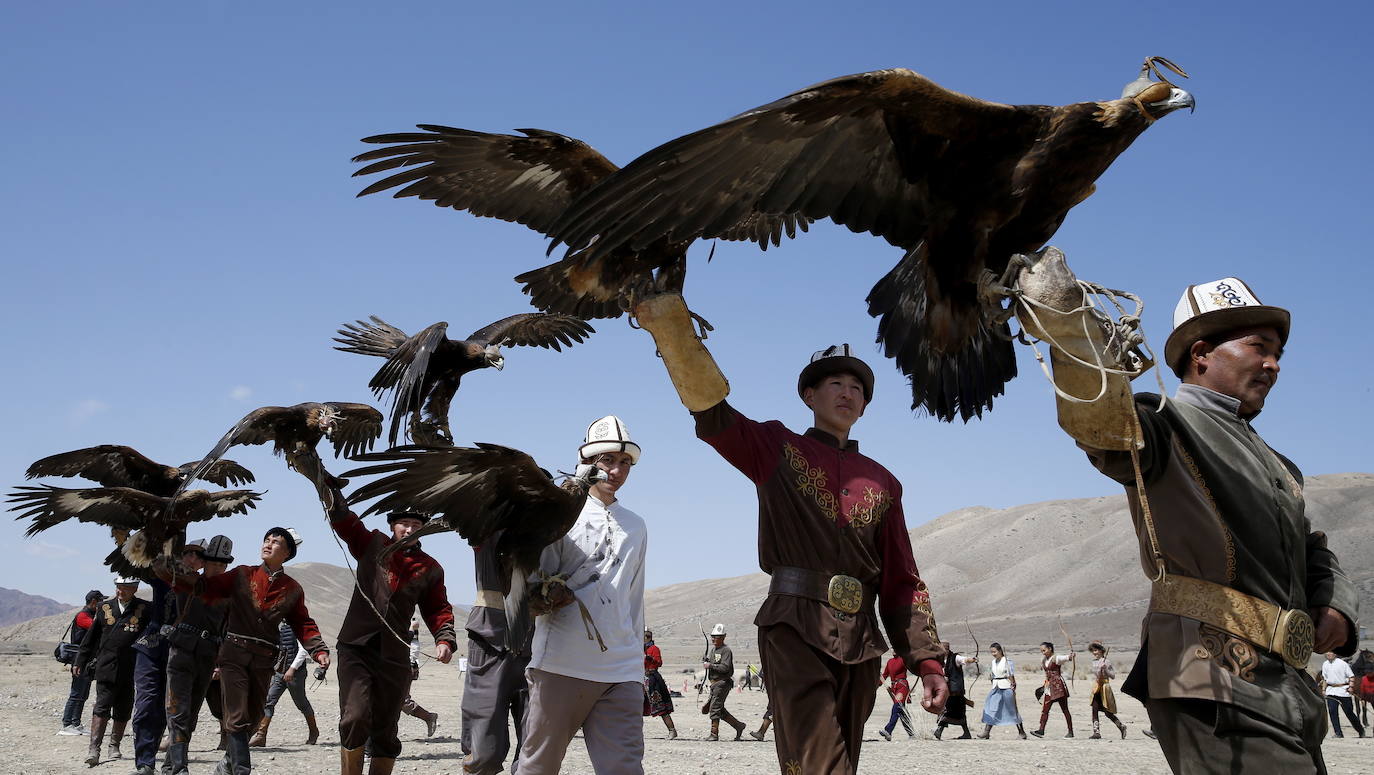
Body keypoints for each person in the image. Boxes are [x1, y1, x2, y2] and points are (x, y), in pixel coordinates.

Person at [1028, 270, 1361, 772]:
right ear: (1201, 353)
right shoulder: (1163, 423)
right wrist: (1068, 328)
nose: (1273, 364)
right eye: (1259, 347)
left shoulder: (1279, 464)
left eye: (1279, 355)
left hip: (1287, 685)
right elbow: (1100, 423)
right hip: (1208, 674)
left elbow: (1313, 548)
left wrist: (1335, 604)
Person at [634, 292, 948, 775]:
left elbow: (902, 580)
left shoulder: (883, 482)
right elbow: (716, 418)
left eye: (857, 389)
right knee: (822, 765)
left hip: (862, 639)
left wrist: (926, 661)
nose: (847, 393)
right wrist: (672, 332)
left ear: (864, 406)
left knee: (836, 761)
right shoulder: (776, 447)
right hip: (795, 626)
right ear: (809, 396)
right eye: (835, 384)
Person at [517, 416, 649, 775]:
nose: (617, 470)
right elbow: (532, 584)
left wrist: (637, 667)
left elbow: (633, 600)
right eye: (608, 460)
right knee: (538, 767)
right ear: (588, 462)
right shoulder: (561, 511)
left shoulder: (636, 525)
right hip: (561, 662)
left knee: (624, 769)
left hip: (621, 668)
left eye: (625, 463)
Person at [309, 465, 457, 775]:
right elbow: (345, 521)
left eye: (415, 524)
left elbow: (437, 608)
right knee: (354, 717)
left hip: (394, 655)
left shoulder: (430, 567)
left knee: (386, 727)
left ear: (424, 529)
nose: (409, 529)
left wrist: (445, 639)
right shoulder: (371, 543)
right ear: (392, 526)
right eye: (403, 523)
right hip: (356, 647)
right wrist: (327, 487)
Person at [173, 527, 329, 775]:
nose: (267, 544)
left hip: (264, 660)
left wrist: (318, 650)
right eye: (266, 540)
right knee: (236, 715)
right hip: (233, 655)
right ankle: (242, 769)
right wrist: (172, 571)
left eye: (275, 542)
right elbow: (207, 587)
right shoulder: (242, 574)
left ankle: (226, 764)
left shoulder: (293, 588)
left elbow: (303, 622)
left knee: (255, 717)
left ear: (287, 552)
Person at [461, 530, 532, 775]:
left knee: (534, 753)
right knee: (484, 751)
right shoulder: (487, 522)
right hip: (490, 640)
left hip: (538, 646)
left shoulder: (551, 528)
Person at [163, 535, 233, 775]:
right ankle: (180, 769)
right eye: (214, 563)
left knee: (191, 713)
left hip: (208, 655)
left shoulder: (228, 595)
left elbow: (227, 629)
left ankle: (169, 766)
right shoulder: (188, 581)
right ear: (205, 563)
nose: (219, 567)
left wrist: (220, 662)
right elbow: (163, 567)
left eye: (223, 564)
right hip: (181, 651)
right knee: (178, 710)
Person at [76, 576, 150, 767]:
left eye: (125, 588)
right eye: (118, 587)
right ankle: (94, 749)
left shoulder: (144, 608)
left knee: (124, 706)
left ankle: (114, 745)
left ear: (134, 588)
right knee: (102, 705)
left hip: (131, 666)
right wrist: (80, 660)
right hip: (106, 665)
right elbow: (91, 637)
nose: (120, 591)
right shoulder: (104, 607)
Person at [251, 620, 318, 747]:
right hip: (279, 672)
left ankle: (314, 732)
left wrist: (292, 669)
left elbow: (303, 650)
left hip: (295, 674)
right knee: (268, 701)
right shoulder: (281, 627)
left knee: (301, 703)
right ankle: (261, 736)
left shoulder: (300, 626)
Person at [58, 590, 104, 735]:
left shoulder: (90, 615)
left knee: (83, 693)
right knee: (76, 692)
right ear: (94, 602)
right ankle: (67, 724)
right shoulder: (83, 616)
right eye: (100, 601)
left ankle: (76, 723)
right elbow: (98, 628)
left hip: (88, 661)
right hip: (81, 660)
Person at [702, 623, 746, 741]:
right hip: (714, 683)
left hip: (722, 683)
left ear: (723, 637)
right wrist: (707, 661)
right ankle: (738, 726)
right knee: (719, 709)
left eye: (716, 637)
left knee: (714, 708)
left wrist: (710, 665)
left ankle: (714, 733)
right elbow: (713, 664)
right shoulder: (713, 650)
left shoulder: (726, 651)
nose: (713, 639)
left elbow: (725, 668)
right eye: (712, 636)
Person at [977, 642, 1025, 739]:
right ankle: (986, 732)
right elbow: (993, 674)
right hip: (996, 687)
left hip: (1006, 687)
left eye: (995, 652)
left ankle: (1022, 732)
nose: (993, 654)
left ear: (1000, 651)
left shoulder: (1007, 661)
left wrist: (1013, 685)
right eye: (992, 652)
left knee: (1012, 710)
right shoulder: (993, 662)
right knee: (991, 708)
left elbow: (1010, 674)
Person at [1030, 641, 1074, 739]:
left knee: (1065, 709)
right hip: (1049, 687)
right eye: (1041, 651)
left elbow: (1067, 658)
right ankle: (1041, 730)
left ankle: (1070, 731)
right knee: (1045, 709)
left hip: (1058, 687)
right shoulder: (1044, 660)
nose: (1043, 652)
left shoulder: (1056, 658)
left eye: (1044, 650)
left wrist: (1071, 656)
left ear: (1050, 649)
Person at [934, 641, 975, 739]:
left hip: (955, 691)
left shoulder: (955, 658)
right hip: (946, 690)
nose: (943, 651)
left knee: (949, 710)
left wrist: (972, 659)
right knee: (956, 711)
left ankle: (939, 731)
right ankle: (966, 733)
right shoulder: (939, 660)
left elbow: (964, 659)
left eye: (945, 649)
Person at [1319, 652, 1365, 738]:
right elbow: (1325, 679)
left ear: (1335, 654)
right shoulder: (1325, 664)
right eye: (1327, 652)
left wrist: (1351, 687)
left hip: (1343, 691)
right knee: (1332, 712)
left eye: (1331, 652)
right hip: (1331, 691)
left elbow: (1351, 676)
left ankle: (1360, 730)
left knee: (1349, 712)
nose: (1328, 654)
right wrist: (1323, 690)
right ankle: (1338, 733)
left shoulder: (1343, 664)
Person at [642, 628, 677, 739]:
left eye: (646, 635)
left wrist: (649, 658)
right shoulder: (639, 649)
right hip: (641, 679)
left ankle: (672, 730)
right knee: (635, 706)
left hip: (653, 680)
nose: (645, 638)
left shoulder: (654, 649)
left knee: (660, 706)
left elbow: (659, 663)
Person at [1087, 642, 1127, 739]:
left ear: (1101, 650)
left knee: (1107, 712)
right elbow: (1096, 675)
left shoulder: (1107, 661)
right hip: (1097, 687)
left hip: (1105, 687)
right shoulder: (1094, 662)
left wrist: (1105, 669)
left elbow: (1113, 676)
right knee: (1094, 709)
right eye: (1093, 651)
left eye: (1096, 650)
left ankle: (1121, 726)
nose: (1094, 652)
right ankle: (1096, 732)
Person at [877, 653, 914, 741]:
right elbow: (885, 675)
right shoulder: (890, 661)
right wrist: (878, 684)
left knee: (896, 707)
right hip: (894, 688)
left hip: (902, 686)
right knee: (901, 711)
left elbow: (913, 666)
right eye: (892, 648)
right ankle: (912, 733)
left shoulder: (903, 659)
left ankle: (888, 731)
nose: (893, 650)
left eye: (895, 648)